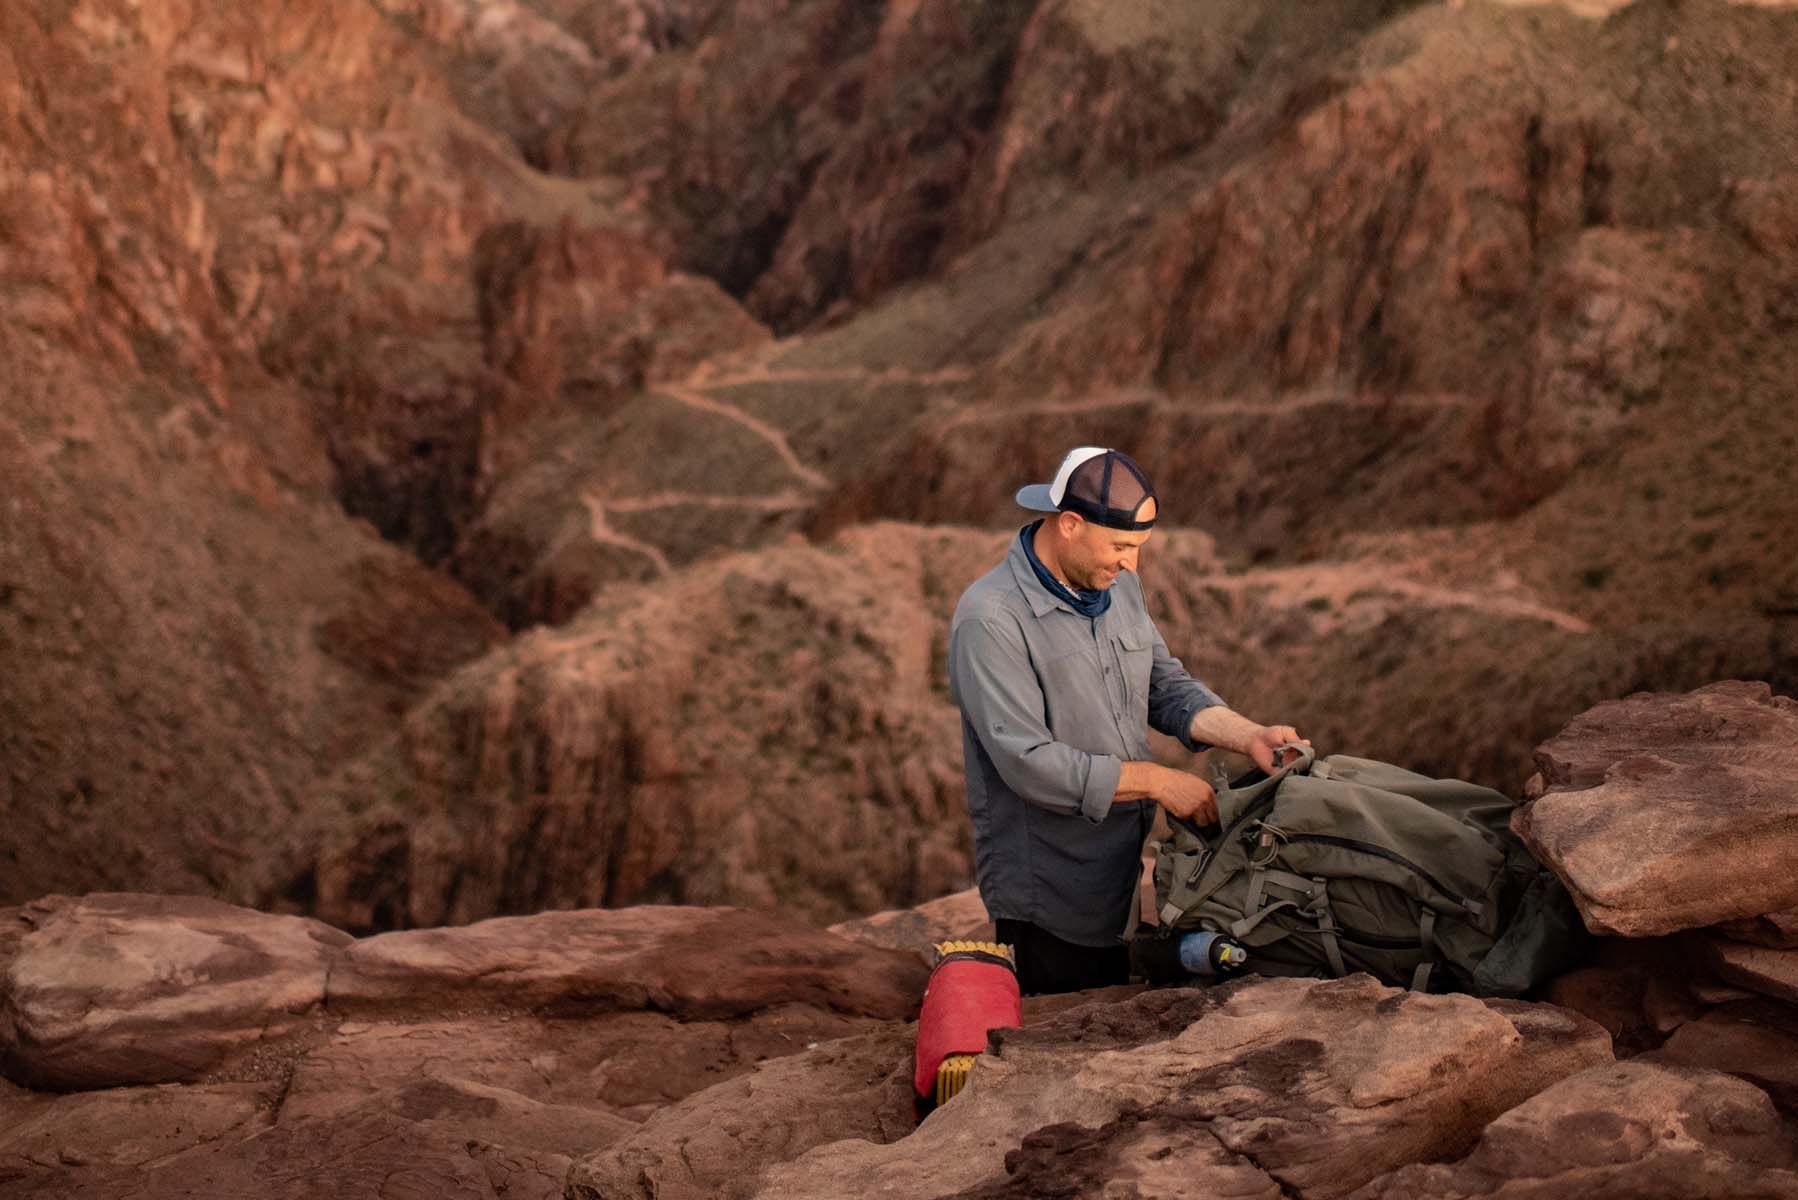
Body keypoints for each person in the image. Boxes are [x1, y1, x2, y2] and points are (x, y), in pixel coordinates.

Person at [947, 446, 1307, 996]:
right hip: (1051, 894)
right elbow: (1029, 765)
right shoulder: (991, 620)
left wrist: (1248, 736)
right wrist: (1159, 781)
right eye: (1120, 546)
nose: (1131, 564)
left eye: (1137, 548)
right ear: (1069, 525)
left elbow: (1166, 686)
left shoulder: (1116, 587)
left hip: (1119, 872)